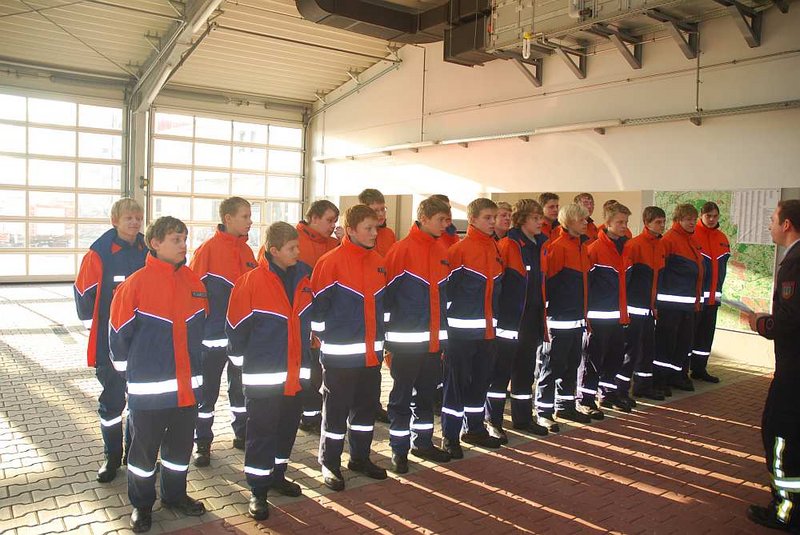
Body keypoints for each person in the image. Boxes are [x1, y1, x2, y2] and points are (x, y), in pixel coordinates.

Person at [109, 216, 207, 533]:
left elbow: (200, 334)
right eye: (176, 240)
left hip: (186, 391)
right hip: (148, 393)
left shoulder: (194, 282)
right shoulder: (135, 285)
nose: (183, 245)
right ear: (155, 243)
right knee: (143, 455)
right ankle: (141, 505)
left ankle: (175, 496)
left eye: (184, 239)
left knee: (179, 451)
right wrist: (132, 380)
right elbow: (118, 339)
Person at [226, 222, 314, 521]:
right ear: (273, 250)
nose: (298, 252)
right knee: (261, 434)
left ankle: (277, 475)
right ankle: (258, 491)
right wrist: (243, 366)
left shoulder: (304, 278)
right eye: (292, 248)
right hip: (263, 378)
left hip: (295, 375)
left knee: (286, 429)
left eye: (298, 246)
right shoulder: (250, 282)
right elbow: (236, 328)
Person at [311, 205, 388, 491]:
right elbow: (317, 311)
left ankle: (360, 458)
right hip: (339, 358)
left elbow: (382, 309)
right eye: (368, 228)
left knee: (365, 413)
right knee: (335, 413)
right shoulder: (330, 262)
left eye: (376, 227)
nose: (374, 233)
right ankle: (329, 463)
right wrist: (326, 341)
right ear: (352, 230)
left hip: (370, 357)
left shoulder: (378, 261)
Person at [74, 198, 147, 483]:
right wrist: (97, 330)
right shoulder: (99, 253)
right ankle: (111, 456)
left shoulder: (148, 249)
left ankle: (133, 454)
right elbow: (84, 294)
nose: (135, 222)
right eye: (129, 218)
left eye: (138, 217)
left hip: (141, 343)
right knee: (112, 402)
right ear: (114, 221)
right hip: (110, 344)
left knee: (139, 401)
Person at [383, 197, 454, 474]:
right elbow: (385, 298)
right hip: (405, 344)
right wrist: (387, 339)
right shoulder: (401, 251)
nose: (446, 225)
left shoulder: (441, 249)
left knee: (425, 396)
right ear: (424, 219)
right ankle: (398, 450)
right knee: (401, 398)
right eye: (441, 220)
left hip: (433, 344)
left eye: (447, 220)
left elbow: (443, 298)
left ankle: (422, 443)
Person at [189, 197, 256, 467]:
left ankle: (242, 433)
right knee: (207, 392)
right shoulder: (207, 250)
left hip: (241, 338)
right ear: (228, 218)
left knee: (240, 388)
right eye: (245, 216)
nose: (250, 221)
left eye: (250, 216)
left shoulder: (248, 252)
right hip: (213, 337)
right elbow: (192, 292)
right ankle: (202, 442)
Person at [746, 199, 800, 533]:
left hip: (793, 373)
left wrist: (762, 323)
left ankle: (786, 511)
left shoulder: (794, 263)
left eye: (773, 219)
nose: (770, 225)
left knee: (780, 436)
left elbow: (791, 320)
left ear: (787, 225)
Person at [441, 198, 505, 458]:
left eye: (494, 217)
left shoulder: (495, 247)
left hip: (488, 333)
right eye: (488, 217)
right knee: (456, 386)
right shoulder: (459, 251)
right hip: (461, 335)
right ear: (472, 219)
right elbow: (447, 294)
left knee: (480, 383)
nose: (493, 222)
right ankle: (450, 436)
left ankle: (475, 429)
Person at [486, 199, 549, 441]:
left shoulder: (541, 245)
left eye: (540, 217)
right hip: (509, 322)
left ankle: (523, 419)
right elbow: (498, 286)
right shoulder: (508, 245)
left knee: (525, 372)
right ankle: (493, 421)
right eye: (535, 218)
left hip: (532, 320)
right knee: (500, 373)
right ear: (522, 219)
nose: (540, 222)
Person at [536, 203, 593, 432]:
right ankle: (543, 412)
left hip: (577, 319)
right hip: (558, 321)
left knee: (572, 364)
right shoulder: (558, 248)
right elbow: (548, 284)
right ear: (569, 222)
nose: (586, 223)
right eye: (582, 220)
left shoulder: (582, 247)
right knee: (552, 366)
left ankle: (565, 406)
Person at [289, 200, 342, 434]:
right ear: (313, 218)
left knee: (317, 371)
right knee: (304, 370)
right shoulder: (291, 240)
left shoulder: (334, 245)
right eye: (329, 220)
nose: (332, 226)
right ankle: (305, 414)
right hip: (299, 318)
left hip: (325, 320)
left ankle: (312, 415)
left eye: (335, 221)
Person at [578, 202, 633, 419]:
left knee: (615, 357)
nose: (624, 226)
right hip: (598, 318)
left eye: (626, 222)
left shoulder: (626, 248)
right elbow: (586, 286)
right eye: (620, 222)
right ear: (608, 223)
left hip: (618, 317)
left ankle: (607, 394)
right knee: (592, 360)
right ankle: (585, 399)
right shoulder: (594, 250)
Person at [654, 204, 704, 395]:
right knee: (666, 344)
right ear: (678, 220)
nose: (692, 223)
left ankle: (677, 376)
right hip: (670, 306)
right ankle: (660, 379)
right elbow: (659, 272)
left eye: (694, 219)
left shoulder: (691, 240)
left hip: (688, 305)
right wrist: (656, 303)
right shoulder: (669, 240)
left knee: (683, 343)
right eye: (688, 219)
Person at [619, 206, 667, 401]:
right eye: (658, 222)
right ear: (647, 223)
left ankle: (643, 387)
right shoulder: (634, 245)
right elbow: (626, 279)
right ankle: (621, 389)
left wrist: (654, 305)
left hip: (649, 309)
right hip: (634, 308)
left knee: (647, 349)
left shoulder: (660, 245)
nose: (662, 225)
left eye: (663, 222)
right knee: (630, 351)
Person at [690, 201, 731, 383]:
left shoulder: (722, 238)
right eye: (709, 216)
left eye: (715, 216)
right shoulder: (693, 235)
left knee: (705, 337)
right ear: (702, 215)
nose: (712, 219)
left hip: (713, 298)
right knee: (690, 336)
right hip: (696, 299)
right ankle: (681, 372)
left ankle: (700, 369)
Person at [359, 188, 396, 257]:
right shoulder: (357, 235)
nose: (381, 214)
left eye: (383, 209)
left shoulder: (389, 234)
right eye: (375, 211)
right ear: (364, 211)